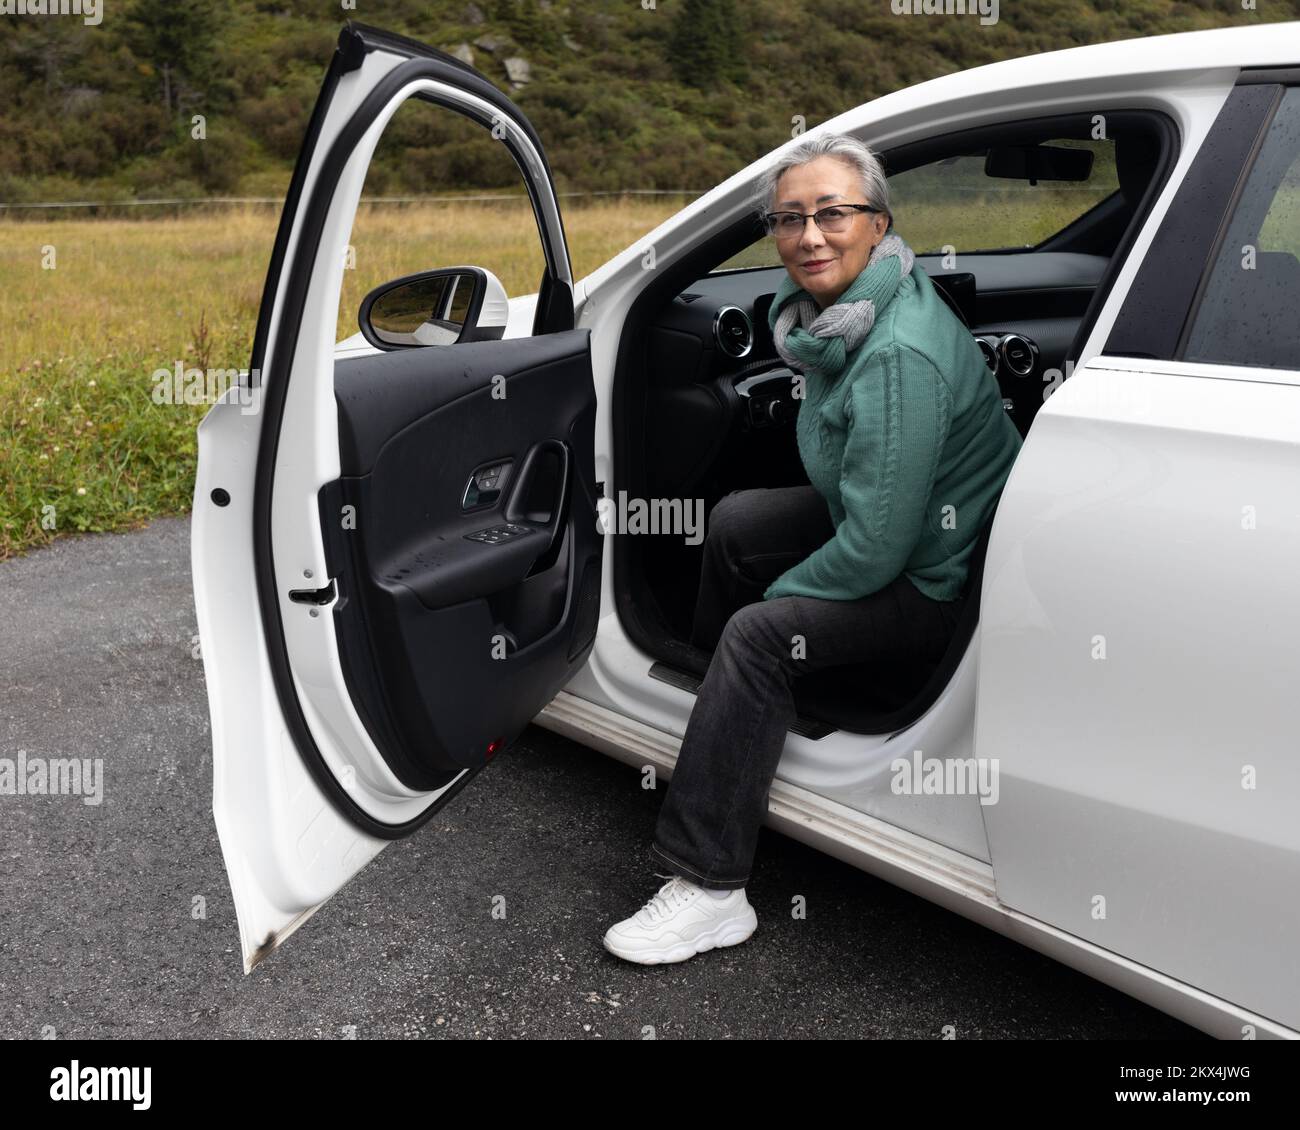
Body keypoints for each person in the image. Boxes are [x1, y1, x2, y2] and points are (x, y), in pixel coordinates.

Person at [602, 133, 1023, 964]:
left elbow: (872, 552)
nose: (809, 236)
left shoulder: (896, 355)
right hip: (903, 534)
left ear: (878, 222)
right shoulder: (855, 313)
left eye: (834, 213)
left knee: (758, 637)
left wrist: (763, 615)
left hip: (938, 586)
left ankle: (710, 886)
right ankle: (726, 739)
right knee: (736, 522)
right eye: (789, 219)